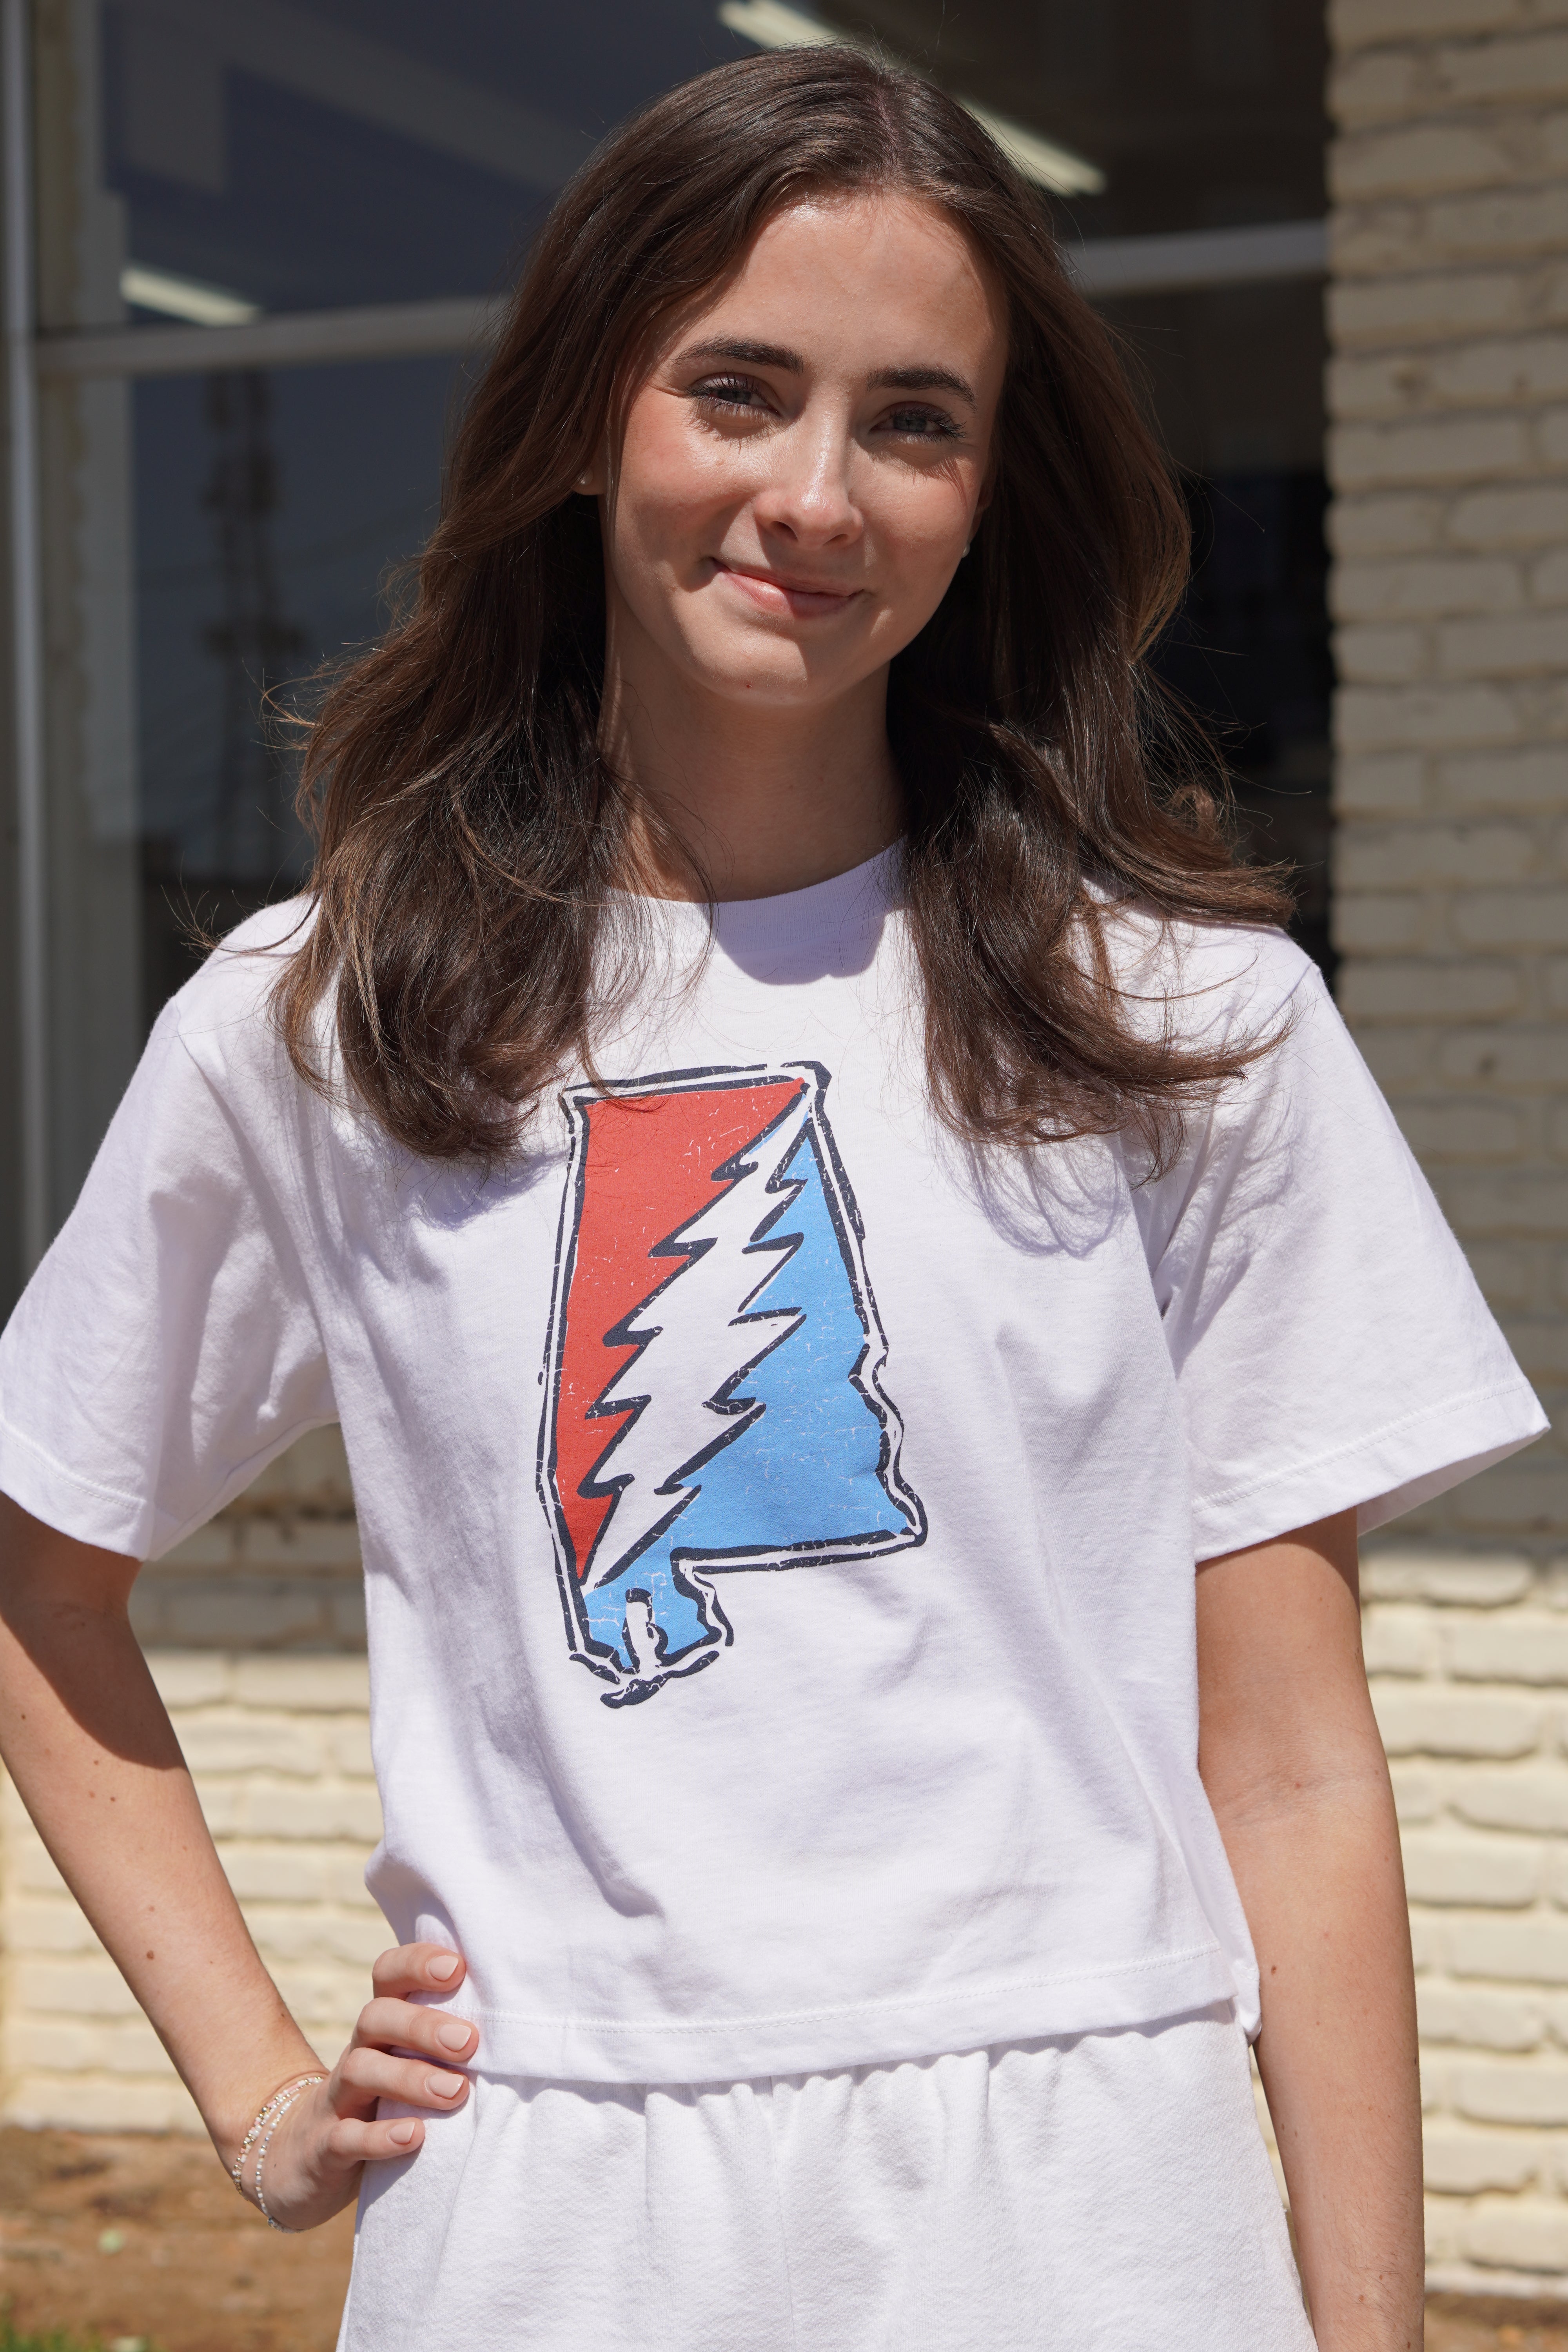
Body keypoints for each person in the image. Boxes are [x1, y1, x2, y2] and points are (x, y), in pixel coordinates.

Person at [0, 46, 1545, 2352]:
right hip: (553, 2221)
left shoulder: (1182, 1015)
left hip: (1094, 2215)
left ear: (986, 487)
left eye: (912, 420)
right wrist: (254, 2091)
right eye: (739, 390)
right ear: (588, 418)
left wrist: (1372, 2334)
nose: (817, 492)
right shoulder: (322, 1017)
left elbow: (1296, 1760)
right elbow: (43, 1571)